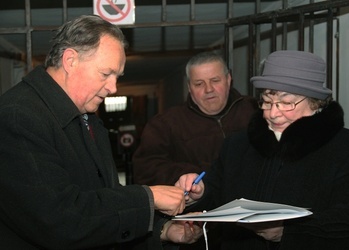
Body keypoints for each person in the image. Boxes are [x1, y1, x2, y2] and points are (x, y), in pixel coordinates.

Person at [0, 15, 202, 249]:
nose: (113, 88)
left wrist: (162, 230)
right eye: (106, 74)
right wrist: (149, 198)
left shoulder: (86, 118)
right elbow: (60, 220)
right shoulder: (19, 117)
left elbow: (102, 201)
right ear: (70, 60)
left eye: (117, 77)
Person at [177, 50, 349, 250]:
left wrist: (288, 231)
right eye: (267, 101)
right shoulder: (237, 145)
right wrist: (199, 193)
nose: (273, 113)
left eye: (286, 103)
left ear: (315, 102)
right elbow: (216, 195)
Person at [133, 51, 258, 186]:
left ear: (228, 79)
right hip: (200, 205)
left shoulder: (255, 110)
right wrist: (189, 175)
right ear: (189, 87)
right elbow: (145, 169)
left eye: (215, 81)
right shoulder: (165, 124)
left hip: (256, 202)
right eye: (199, 84)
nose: (209, 89)